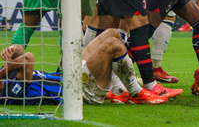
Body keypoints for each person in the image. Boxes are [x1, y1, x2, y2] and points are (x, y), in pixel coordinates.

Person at [0, 29, 167, 105]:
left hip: (68, 76)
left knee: (112, 33)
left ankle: (118, 91)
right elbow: (28, 58)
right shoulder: (8, 93)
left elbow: (21, 53)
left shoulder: (4, 78)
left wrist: (13, 49)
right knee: (113, 45)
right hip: (80, 90)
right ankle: (136, 92)